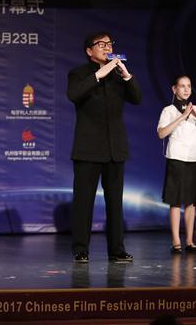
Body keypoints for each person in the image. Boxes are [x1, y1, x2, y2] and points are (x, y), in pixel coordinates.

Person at [66, 32, 142, 263]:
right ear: (89, 51)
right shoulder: (79, 74)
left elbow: (137, 98)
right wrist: (99, 74)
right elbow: (74, 94)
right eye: (101, 44)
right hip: (88, 149)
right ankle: (81, 249)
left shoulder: (118, 75)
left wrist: (127, 76)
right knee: (84, 202)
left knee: (115, 203)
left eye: (109, 44)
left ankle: (116, 250)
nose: (107, 47)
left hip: (114, 149)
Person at [156, 75, 196, 254]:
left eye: (188, 86)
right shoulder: (168, 110)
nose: (186, 89)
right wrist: (182, 117)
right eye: (182, 86)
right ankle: (176, 241)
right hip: (176, 158)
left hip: (194, 158)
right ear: (174, 89)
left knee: (191, 202)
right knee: (175, 201)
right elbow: (162, 133)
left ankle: (190, 241)